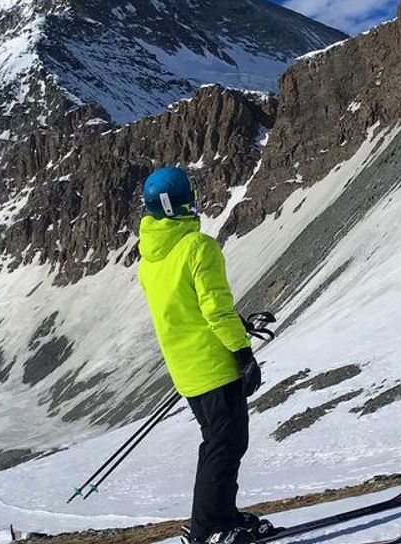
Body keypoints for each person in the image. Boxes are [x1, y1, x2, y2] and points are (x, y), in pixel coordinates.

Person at [137, 166, 272, 544]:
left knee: (217, 441)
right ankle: (209, 528)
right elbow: (214, 310)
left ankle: (221, 516)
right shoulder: (198, 247)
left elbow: (185, 309)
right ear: (179, 204)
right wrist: (243, 353)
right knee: (226, 445)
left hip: (185, 369)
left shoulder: (150, 260)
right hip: (215, 365)